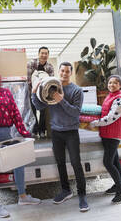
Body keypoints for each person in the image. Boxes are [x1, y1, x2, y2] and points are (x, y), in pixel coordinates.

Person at [0, 66, 41, 218]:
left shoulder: (6, 92)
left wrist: (25, 133)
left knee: (18, 162)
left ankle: (23, 197)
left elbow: (16, 114)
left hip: (7, 132)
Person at [31, 62, 89, 212]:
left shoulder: (76, 91)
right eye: (62, 71)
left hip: (71, 132)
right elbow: (39, 106)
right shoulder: (51, 87)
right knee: (60, 163)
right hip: (56, 132)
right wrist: (34, 92)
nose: (64, 73)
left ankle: (82, 195)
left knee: (76, 164)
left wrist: (61, 99)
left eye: (67, 71)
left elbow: (76, 113)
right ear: (58, 71)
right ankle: (66, 191)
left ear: (71, 73)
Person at [90, 75, 121, 204]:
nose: (111, 85)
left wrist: (96, 123)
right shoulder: (109, 96)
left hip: (113, 135)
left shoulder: (119, 99)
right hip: (107, 134)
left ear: (120, 85)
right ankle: (118, 185)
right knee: (115, 161)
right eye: (110, 82)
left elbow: (111, 117)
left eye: (115, 83)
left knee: (108, 162)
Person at [27, 46, 54, 138]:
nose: (44, 55)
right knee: (33, 111)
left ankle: (42, 130)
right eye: (42, 53)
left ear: (48, 55)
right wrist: (35, 90)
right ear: (38, 54)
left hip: (44, 93)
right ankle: (35, 130)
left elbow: (51, 81)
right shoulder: (31, 63)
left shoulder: (49, 67)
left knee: (43, 111)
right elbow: (28, 80)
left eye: (46, 53)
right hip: (32, 91)